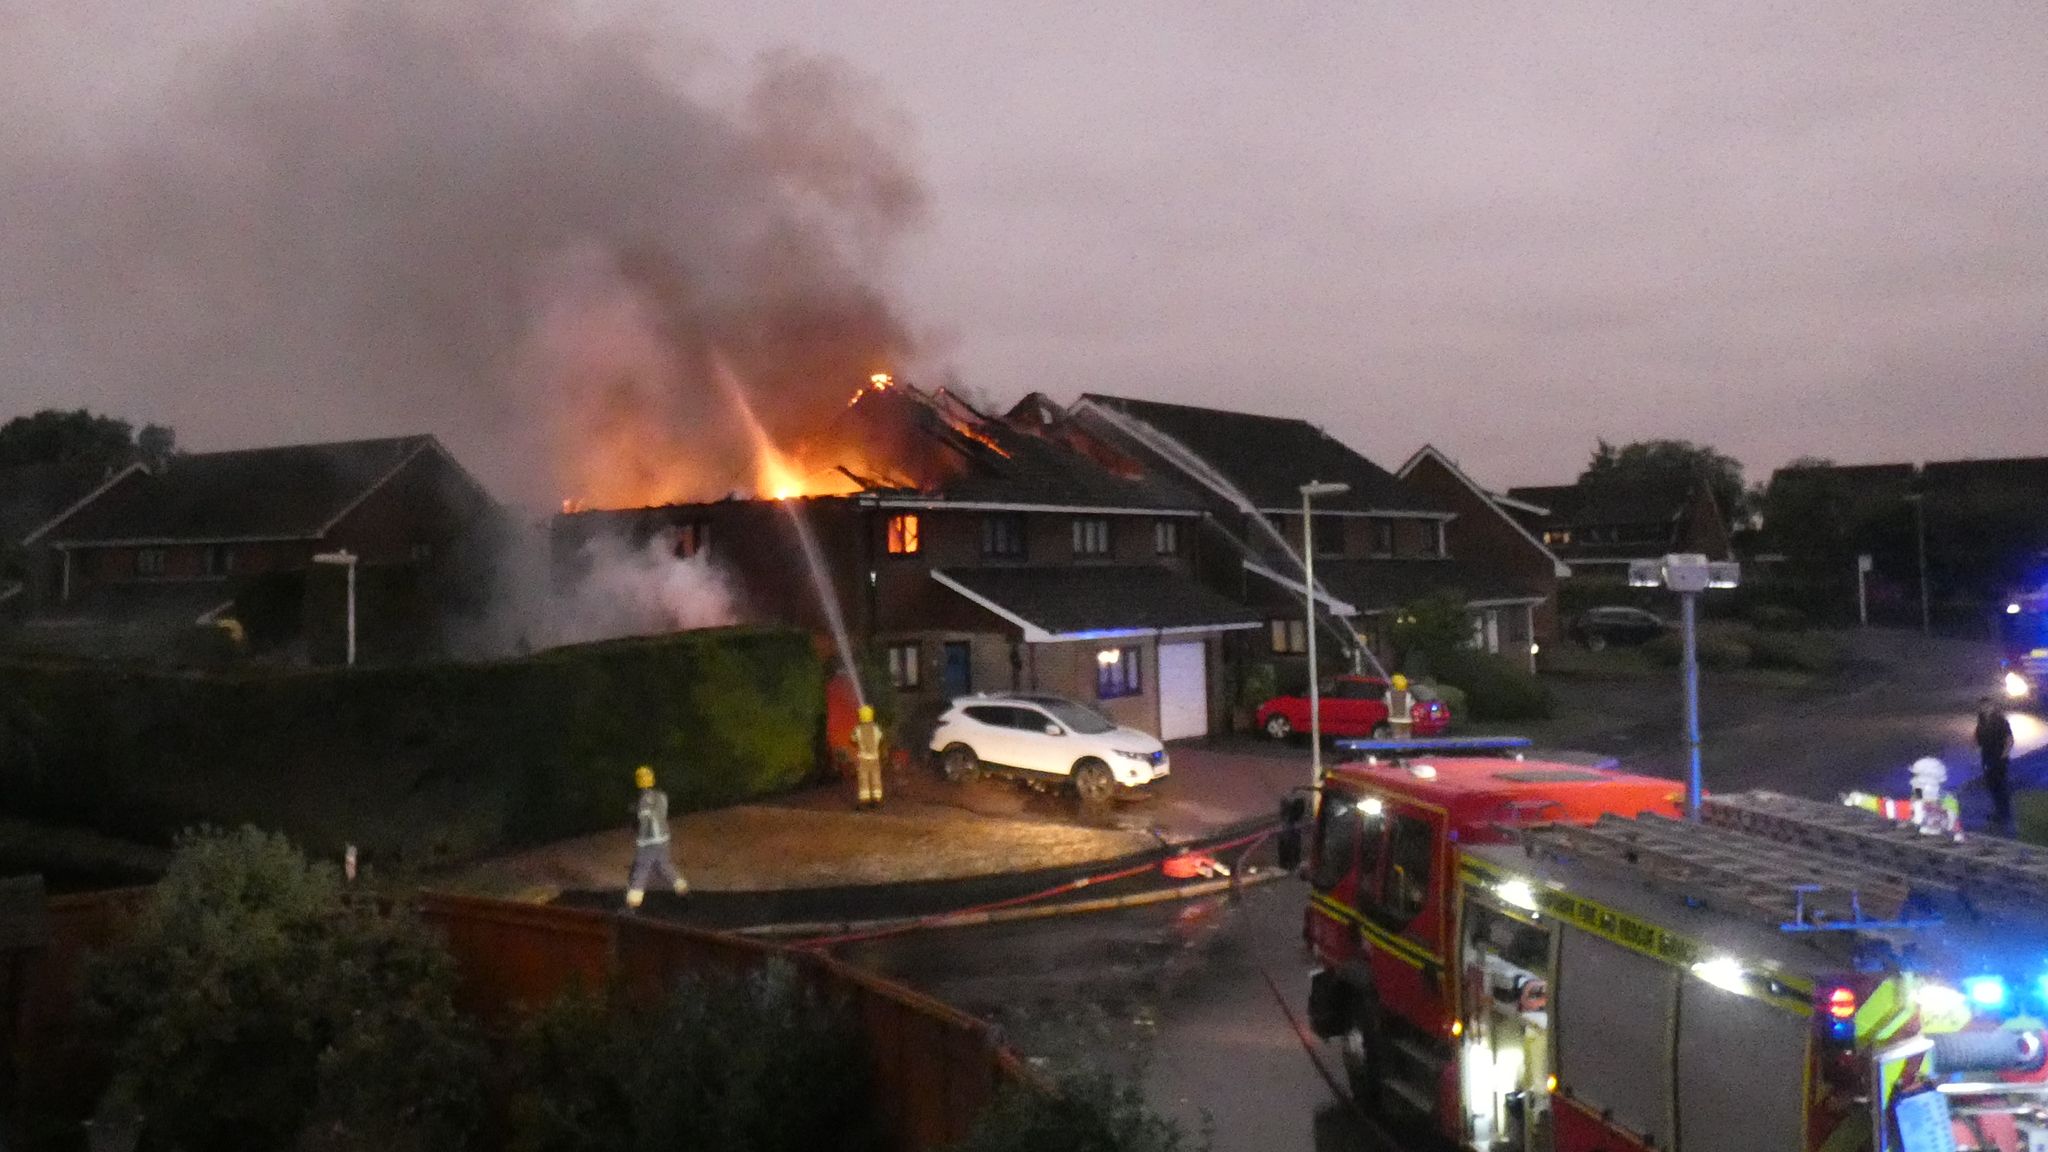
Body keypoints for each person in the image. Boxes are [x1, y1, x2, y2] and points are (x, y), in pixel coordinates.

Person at [625, 765, 688, 909]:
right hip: (664, 837)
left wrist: (640, 842)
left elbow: (645, 824)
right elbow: (661, 815)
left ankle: (633, 903)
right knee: (663, 864)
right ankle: (682, 888)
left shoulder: (642, 802)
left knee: (641, 868)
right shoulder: (662, 796)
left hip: (649, 841)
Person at [1976, 696, 2016, 828]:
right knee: (1991, 785)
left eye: (1987, 706)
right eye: (1982, 706)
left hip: (1998, 757)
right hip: (1986, 755)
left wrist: (2003, 756)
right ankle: (1998, 811)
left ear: (1993, 707)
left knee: (2000, 786)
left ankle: (2004, 814)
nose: (1984, 709)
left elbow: (2009, 739)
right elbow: (1978, 736)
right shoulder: (1982, 720)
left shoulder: (2000, 721)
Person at [852, 705, 886, 808]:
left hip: (863, 758)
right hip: (875, 758)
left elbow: (853, 739)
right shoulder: (876, 729)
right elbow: (881, 738)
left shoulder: (858, 729)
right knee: (876, 778)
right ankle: (877, 799)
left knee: (864, 779)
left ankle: (864, 800)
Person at [1384, 673, 1416, 741]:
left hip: (1394, 720)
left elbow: (1384, 702)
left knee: (1397, 738)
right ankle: (1407, 750)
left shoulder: (1388, 695)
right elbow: (1413, 704)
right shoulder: (1408, 695)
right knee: (1406, 737)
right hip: (1407, 720)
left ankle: (1398, 750)